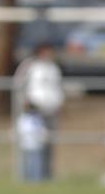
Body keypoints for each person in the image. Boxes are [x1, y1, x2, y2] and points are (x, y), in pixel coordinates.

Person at [14, 42, 64, 180]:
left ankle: (46, 174)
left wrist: (59, 103)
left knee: (48, 142)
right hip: (34, 113)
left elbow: (57, 87)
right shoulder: (30, 66)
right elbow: (19, 84)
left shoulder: (54, 68)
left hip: (51, 111)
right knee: (31, 144)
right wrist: (24, 102)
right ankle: (28, 175)